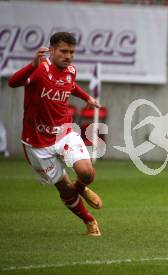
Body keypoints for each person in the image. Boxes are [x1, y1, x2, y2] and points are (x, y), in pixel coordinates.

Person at [8, 32, 103, 236]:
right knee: (64, 189)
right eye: (63, 51)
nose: (68, 55)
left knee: (87, 173)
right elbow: (13, 83)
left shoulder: (71, 70)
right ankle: (89, 221)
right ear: (51, 50)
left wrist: (87, 97)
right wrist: (32, 65)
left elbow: (70, 85)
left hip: (63, 132)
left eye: (72, 52)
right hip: (37, 142)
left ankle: (81, 187)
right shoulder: (40, 70)